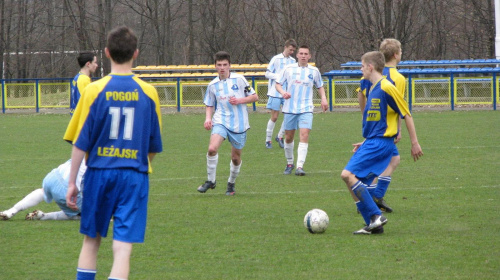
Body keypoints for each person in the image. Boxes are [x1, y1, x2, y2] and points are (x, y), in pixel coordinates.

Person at [64, 26, 163, 280]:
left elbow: (80, 142)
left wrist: (72, 181)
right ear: (136, 53)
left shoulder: (94, 91)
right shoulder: (149, 93)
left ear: (107, 53)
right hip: (133, 177)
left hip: (98, 173)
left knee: (91, 241)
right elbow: (153, 147)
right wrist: (137, 164)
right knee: (122, 248)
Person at [343, 51, 423, 235]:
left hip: (381, 144)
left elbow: (406, 113)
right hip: (373, 141)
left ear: (370, 67)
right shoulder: (372, 88)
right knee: (352, 182)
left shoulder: (387, 87)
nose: (360, 69)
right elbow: (379, 122)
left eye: (362, 66)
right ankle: (373, 225)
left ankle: (375, 215)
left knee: (347, 174)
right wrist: (365, 141)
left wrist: (414, 142)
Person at [197, 51, 258, 196]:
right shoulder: (212, 85)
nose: (222, 68)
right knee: (212, 149)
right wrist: (208, 118)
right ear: (215, 66)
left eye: (225, 65)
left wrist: (239, 101)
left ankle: (231, 184)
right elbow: (209, 104)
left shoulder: (240, 80)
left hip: (239, 124)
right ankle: (211, 181)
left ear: (230, 65)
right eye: (219, 65)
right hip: (221, 121)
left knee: (235, 158)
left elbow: (255, 97)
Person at [357, 38, 405, 213]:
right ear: (396, 55)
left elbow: (361, 94)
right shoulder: (397, 78)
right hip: (386, 129)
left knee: (390, 160)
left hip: (373, 126)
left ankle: (373, 196)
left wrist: (366, 116)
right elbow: (399, 107)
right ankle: (371, 198)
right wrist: (398, 129)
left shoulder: (369, 75)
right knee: (385, 161)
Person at [275, 45, 328, 176]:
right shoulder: (288, 69)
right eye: (301, 53)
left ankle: (300, 166)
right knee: (288, 137)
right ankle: (289, 162)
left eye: (306, 54)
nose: (303, 56)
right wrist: (283, 92)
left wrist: (324, 99)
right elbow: (278, 84)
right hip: (290, 108)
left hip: (306, 108)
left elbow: (320, 86)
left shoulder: (314, 71)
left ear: (309, 56)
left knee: (304, 135)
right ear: (297, 55)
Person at [0, 159, 86, 221]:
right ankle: (45, 216)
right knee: (86, 216)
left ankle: (11, 211)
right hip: (67, 187)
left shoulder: (83, 150)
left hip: (53, 176)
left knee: (43, 191)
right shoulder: (96, 161)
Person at [264, 39, 297, 149]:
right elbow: (267, 73)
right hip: (275, 92)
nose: (291, 52)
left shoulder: (293, 61)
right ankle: (268, 140)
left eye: (293, 50)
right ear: (285, 47)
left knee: (288, 115)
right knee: (274, 117)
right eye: (290, 49)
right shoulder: (276, 59)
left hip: (287, 92)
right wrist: (279, 77)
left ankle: (280, 136)